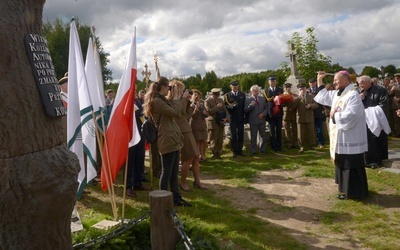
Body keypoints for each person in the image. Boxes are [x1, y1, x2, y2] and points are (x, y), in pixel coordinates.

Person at [314, 70, 369, 200]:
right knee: (343, 163)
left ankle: (355, 192)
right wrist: (319, 80)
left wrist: (334, 116)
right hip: (340, 136)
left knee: (351, 165)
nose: (334, 83)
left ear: (345, 80)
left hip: (350, 136)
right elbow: (323, 97)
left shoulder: (352, 95)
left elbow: (352, 115)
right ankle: (345, 189)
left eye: (336, 81)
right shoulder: (338, 94)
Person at [143, 76, 191, 207]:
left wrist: (180, 98)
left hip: (172, 138)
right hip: (166, 139)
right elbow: (175, 113)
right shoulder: (157, 102)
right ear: (163, 88)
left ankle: (176, 198)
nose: (169, 90)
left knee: (174, 172)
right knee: (166, 172)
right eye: (168, 88)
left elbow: (179, 112)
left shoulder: (162, 99)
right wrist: (176, 98)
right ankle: (162, 200)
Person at [168, 80, 206, 191]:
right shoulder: (171, 100)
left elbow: (186, 115)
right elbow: (178, 113)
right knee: (188, 158)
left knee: (195, 157)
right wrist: (184, 99)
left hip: (187, 129)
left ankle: (197, 181)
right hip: (182, 131)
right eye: (181, 89)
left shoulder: (180, 100)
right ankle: (183, 182)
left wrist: (192, 105)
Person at [359, 75, 390, 169]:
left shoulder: (381, 90)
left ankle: (379, 160)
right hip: (366, 121)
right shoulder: (361, 92)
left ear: (369, 82)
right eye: (359, 84)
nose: (360, 85)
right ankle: (369, 161)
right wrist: (360, 100)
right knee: (368, 141)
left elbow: (383, 105)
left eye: (362, 83)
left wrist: (370, 111)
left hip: (378, 120)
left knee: (378, 140)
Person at [126, 96, 149, 198]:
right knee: (130, 161)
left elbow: (141, 116)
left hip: (140, 134)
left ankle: (137, 183)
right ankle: (128, 186)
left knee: (140, 159)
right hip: (130, 136)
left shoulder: (137, 101)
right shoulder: (125, 101)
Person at [292, 83, 318, 153]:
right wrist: (299, 97)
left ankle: (312, 145)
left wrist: (310, 105)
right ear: (298, 90)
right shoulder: (296, 97)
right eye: (300, 89)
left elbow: (316, 105)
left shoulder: (311, 96)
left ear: (306, 89)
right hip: (300, 117)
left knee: (311, 132)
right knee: (300, 134)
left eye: (303, 89)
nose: (302, 90)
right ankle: (302, 147)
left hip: (309, 117)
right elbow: (293, 106)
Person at [244, 85, 268, 155]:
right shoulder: (248, 100)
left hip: (262, 120)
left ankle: (263, 150)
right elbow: (245, 110)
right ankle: (253, 151)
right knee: (253, 137)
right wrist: (251, 105)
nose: (257, 92)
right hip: (253, 121)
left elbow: (266, 108)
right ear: (251, 92)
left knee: (263, 136)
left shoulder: (262, 99)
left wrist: (263, 114)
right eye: (255, 91)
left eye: (257, 91)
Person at [225, 81, 246, 157]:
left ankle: (240, 150)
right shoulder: (228, 95)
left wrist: (245, 117)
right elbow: (226, 106)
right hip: (232, 117)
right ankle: (234, 151)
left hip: (240, 117)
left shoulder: (242, 95)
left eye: (236, 86)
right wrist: (232, 107)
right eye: (233, 86)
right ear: (231, 87)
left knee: (241, 134)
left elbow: (244, 106)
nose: (235, 87)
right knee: (233, 135)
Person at [205, 88, 228, 159]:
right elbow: (209, 112)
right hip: (213, 123)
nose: (216, 96)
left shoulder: (220, 100)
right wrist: (217, 107)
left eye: (217, 95)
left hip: (220, 122)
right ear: (212, 94)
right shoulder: (207, 101)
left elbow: (225, 110)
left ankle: (219, 153)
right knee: (213, 139)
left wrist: (226, 118)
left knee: (220, 139)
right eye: (215, 95)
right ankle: (214, 154)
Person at [263, 76, 283, 152]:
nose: (272, 82)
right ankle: (273, 146)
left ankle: (279, 146)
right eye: (271, 81)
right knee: (272, 131)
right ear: (268, 82)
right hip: (270, 114)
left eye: (274, 81)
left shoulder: (280, 90)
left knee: (278, 130)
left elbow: (282, 101)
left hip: (279, 113)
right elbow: (265, 103)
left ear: (275, 82)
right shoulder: (265, 91)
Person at [190, 89, 209, 162]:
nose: (197, 96)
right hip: (195, 126)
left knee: (203, 142)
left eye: (198, 95)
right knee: (197, 142)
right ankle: (196, 157)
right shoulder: (191, 105)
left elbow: (206, 114)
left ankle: (203, 155)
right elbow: (192, 116)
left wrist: (205, 113)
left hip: (202, 126)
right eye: (195, 95)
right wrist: (196, 109)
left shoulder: (202, 104)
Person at [308, 78, 325, 149]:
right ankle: (312, 143)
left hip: (318, 111)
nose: (311, 84)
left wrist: (323, 110)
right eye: (310, 82)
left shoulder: (319, 90)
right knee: (311, 129)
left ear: (315, 82)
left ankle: (320, 143)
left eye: (313, 82)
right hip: (310, 112)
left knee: (319, 129)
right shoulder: (307, 90)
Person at [282, 82, 298, 149]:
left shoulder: (293, 95)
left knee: (295, 129)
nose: (287, 89)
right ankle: (289, 143)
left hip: (293, 113)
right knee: (287, 129)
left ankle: (295, 142)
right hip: (286, 114)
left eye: (289, 87)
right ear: (284, 88)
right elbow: (281, 105)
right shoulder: (282, 95)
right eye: (286, 88)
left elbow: (297, 102)